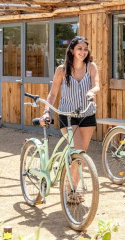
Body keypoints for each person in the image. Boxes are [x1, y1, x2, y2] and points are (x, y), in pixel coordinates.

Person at [40, 36, 100, 202]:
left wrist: (92, 91)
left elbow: (97, 85)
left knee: (81, 155)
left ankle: (71, 187)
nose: (83, 52)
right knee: (78, 150)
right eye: (79, 48)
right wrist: (46, 111)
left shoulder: (91, 67)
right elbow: (53, 94)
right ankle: (69, 190)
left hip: (87, 114)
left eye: (85, 49)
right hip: (67, 115)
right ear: (72, 50)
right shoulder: (62, 70)